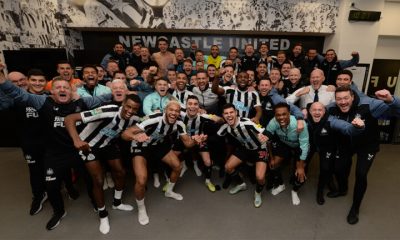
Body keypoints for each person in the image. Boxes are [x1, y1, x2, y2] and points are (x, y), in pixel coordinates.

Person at [0, 71, 111, 230]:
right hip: (55, 154)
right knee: (51, 186)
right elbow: (16, 93)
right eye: (57, 87)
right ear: (51, 92)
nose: (62, 89)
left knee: (90, 180)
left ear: (72, 91)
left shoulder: (82, 102)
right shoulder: (43, 102)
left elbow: (104, 98)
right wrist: (1, 78)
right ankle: (59, 212)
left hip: (79, 151)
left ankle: (96, 203)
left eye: (65, 87)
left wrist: (117, 90)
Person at [65, 94, 141, 234]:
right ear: (123, 103)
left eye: (134, 109)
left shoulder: (133, 119)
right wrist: (76, 140)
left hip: (108, 145)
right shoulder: (108, 110)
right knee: (98, 180)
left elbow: (145, 124)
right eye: (128, 106)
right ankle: (103, 215)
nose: (130, 111)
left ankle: (117, 203)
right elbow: (69, 118)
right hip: (88, 145)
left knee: (121, 172)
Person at [121, 101, 204, 225]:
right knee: (141, 180)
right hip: (141, 145)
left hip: (158, 145)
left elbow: (187, 143)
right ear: (165, 110)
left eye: (176, 111)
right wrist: (135, 137)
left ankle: (169, 191)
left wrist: (196, 140)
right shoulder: (153, 119)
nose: (174, 113)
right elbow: (125, 133)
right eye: (171, 110)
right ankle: (141, 208)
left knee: (177, 166)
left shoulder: (180, 123)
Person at [327, 86, 400, 224]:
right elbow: (319, 111)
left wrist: (391, 99)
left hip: (367, 145)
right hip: (346, 143)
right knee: (338, 168)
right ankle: (343, 190)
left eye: (346, 98)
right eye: (339, 99)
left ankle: (355, 208)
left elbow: (397, 110)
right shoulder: (332, 108)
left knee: (361, 174)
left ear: (353, 97)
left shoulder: (369, 105)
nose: (342, 102)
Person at [307, 102, 365, 205]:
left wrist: (357, 127)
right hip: (311, 145)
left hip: (327, 148)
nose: (316, 112)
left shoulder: (331, 120)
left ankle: (320, 192)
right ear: (309, 111)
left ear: (324, 112)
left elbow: (345, 127)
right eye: (314, 110)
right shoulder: (306, 119)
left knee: (325, 168)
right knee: (303, 162)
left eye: (320, 110)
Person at [218, 103, 269, 207]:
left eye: (231, 112)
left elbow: (265, 131)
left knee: (260, 177)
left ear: (236, 113)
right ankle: (241, 184)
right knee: (228, 167)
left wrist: (266, 137)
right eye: (226, 113)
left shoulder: (247, 123)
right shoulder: (225, 128)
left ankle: (258, 193)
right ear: (223, 116)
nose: (229, 115)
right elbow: (217, 134)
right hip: (245, 148)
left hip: (260, 148)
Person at [260, 102, 309, 206]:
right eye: (278, 115)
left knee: (300, 175)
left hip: (299, 147)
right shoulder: (273, 122)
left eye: (284, 114)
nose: (281, 117)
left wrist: (300, 166)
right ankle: (281, 185)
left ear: (289, 113)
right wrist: (272, 158)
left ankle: (294, 191)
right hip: (285, 144)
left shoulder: (299, 124)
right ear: (275, 115)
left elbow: (304, 146)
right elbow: (267, 139)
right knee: (274, 165)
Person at [173, 95, 223, 190]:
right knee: (173, 156)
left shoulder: (203, 116)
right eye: (190, 104)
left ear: (199, 107)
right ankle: (178, 172)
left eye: (195, 104)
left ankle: (207, 180)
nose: (192, 106)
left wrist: (217, 118)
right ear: (186, 105)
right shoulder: (179, 114)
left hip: (200, 139)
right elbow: (167, 112)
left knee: (208, 161)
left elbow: (221, 120)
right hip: (184, 138)